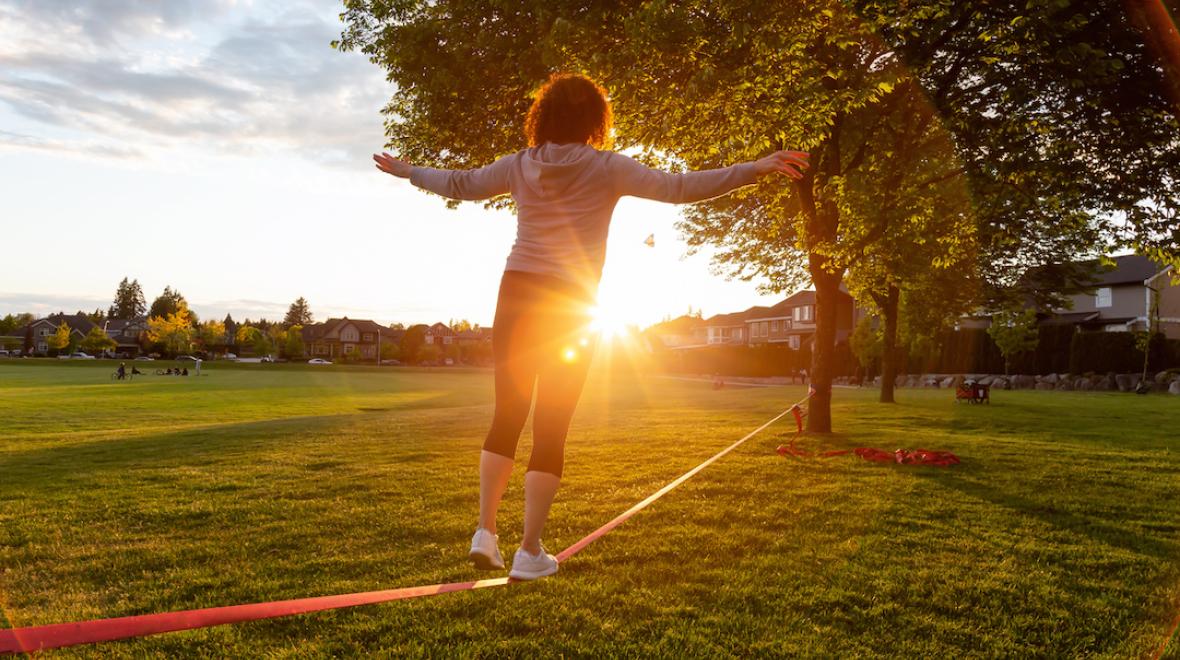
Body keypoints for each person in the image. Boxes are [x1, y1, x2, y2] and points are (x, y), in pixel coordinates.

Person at [373, 73, 809, 581]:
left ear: (544, 116)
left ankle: (485, 531)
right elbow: (679, 188)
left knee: (507, 413)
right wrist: (755, 168)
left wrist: (409, 172)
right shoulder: (607, 167)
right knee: (551, 424)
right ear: (595, 119)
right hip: (570, 303)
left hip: (515, 294)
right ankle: (529, 551)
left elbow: (460, 183)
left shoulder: (519, 165)